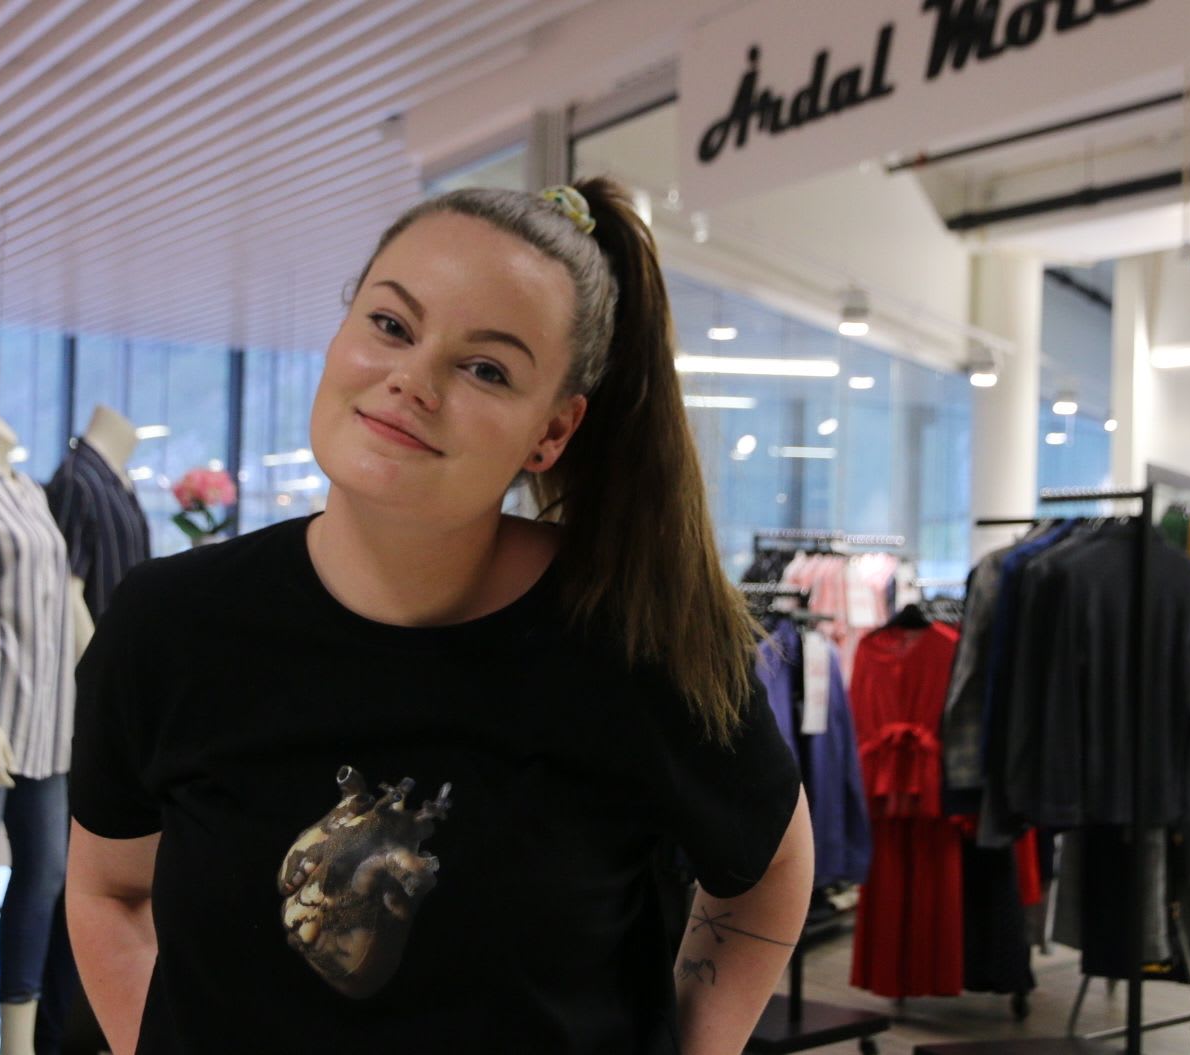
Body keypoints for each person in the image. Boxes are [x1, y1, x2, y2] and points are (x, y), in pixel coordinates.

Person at [65, 178, 814, 1054]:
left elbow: (768, 870)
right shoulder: (170, 624)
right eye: (391, 324)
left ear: (552, 431)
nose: (412, 381)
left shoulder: (637, 637)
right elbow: (110, 889)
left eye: (486, 368)